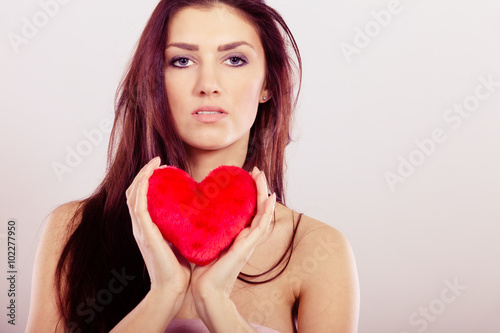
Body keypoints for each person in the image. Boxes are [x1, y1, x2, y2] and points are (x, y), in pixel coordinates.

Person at [26, 0, 359, 332]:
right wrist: (163, 295)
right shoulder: (72, 230)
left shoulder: (317, 250)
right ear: (154, 79)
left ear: (268, 84)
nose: (208, 84)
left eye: (234, 59)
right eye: (182, 60)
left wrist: (214, 301)